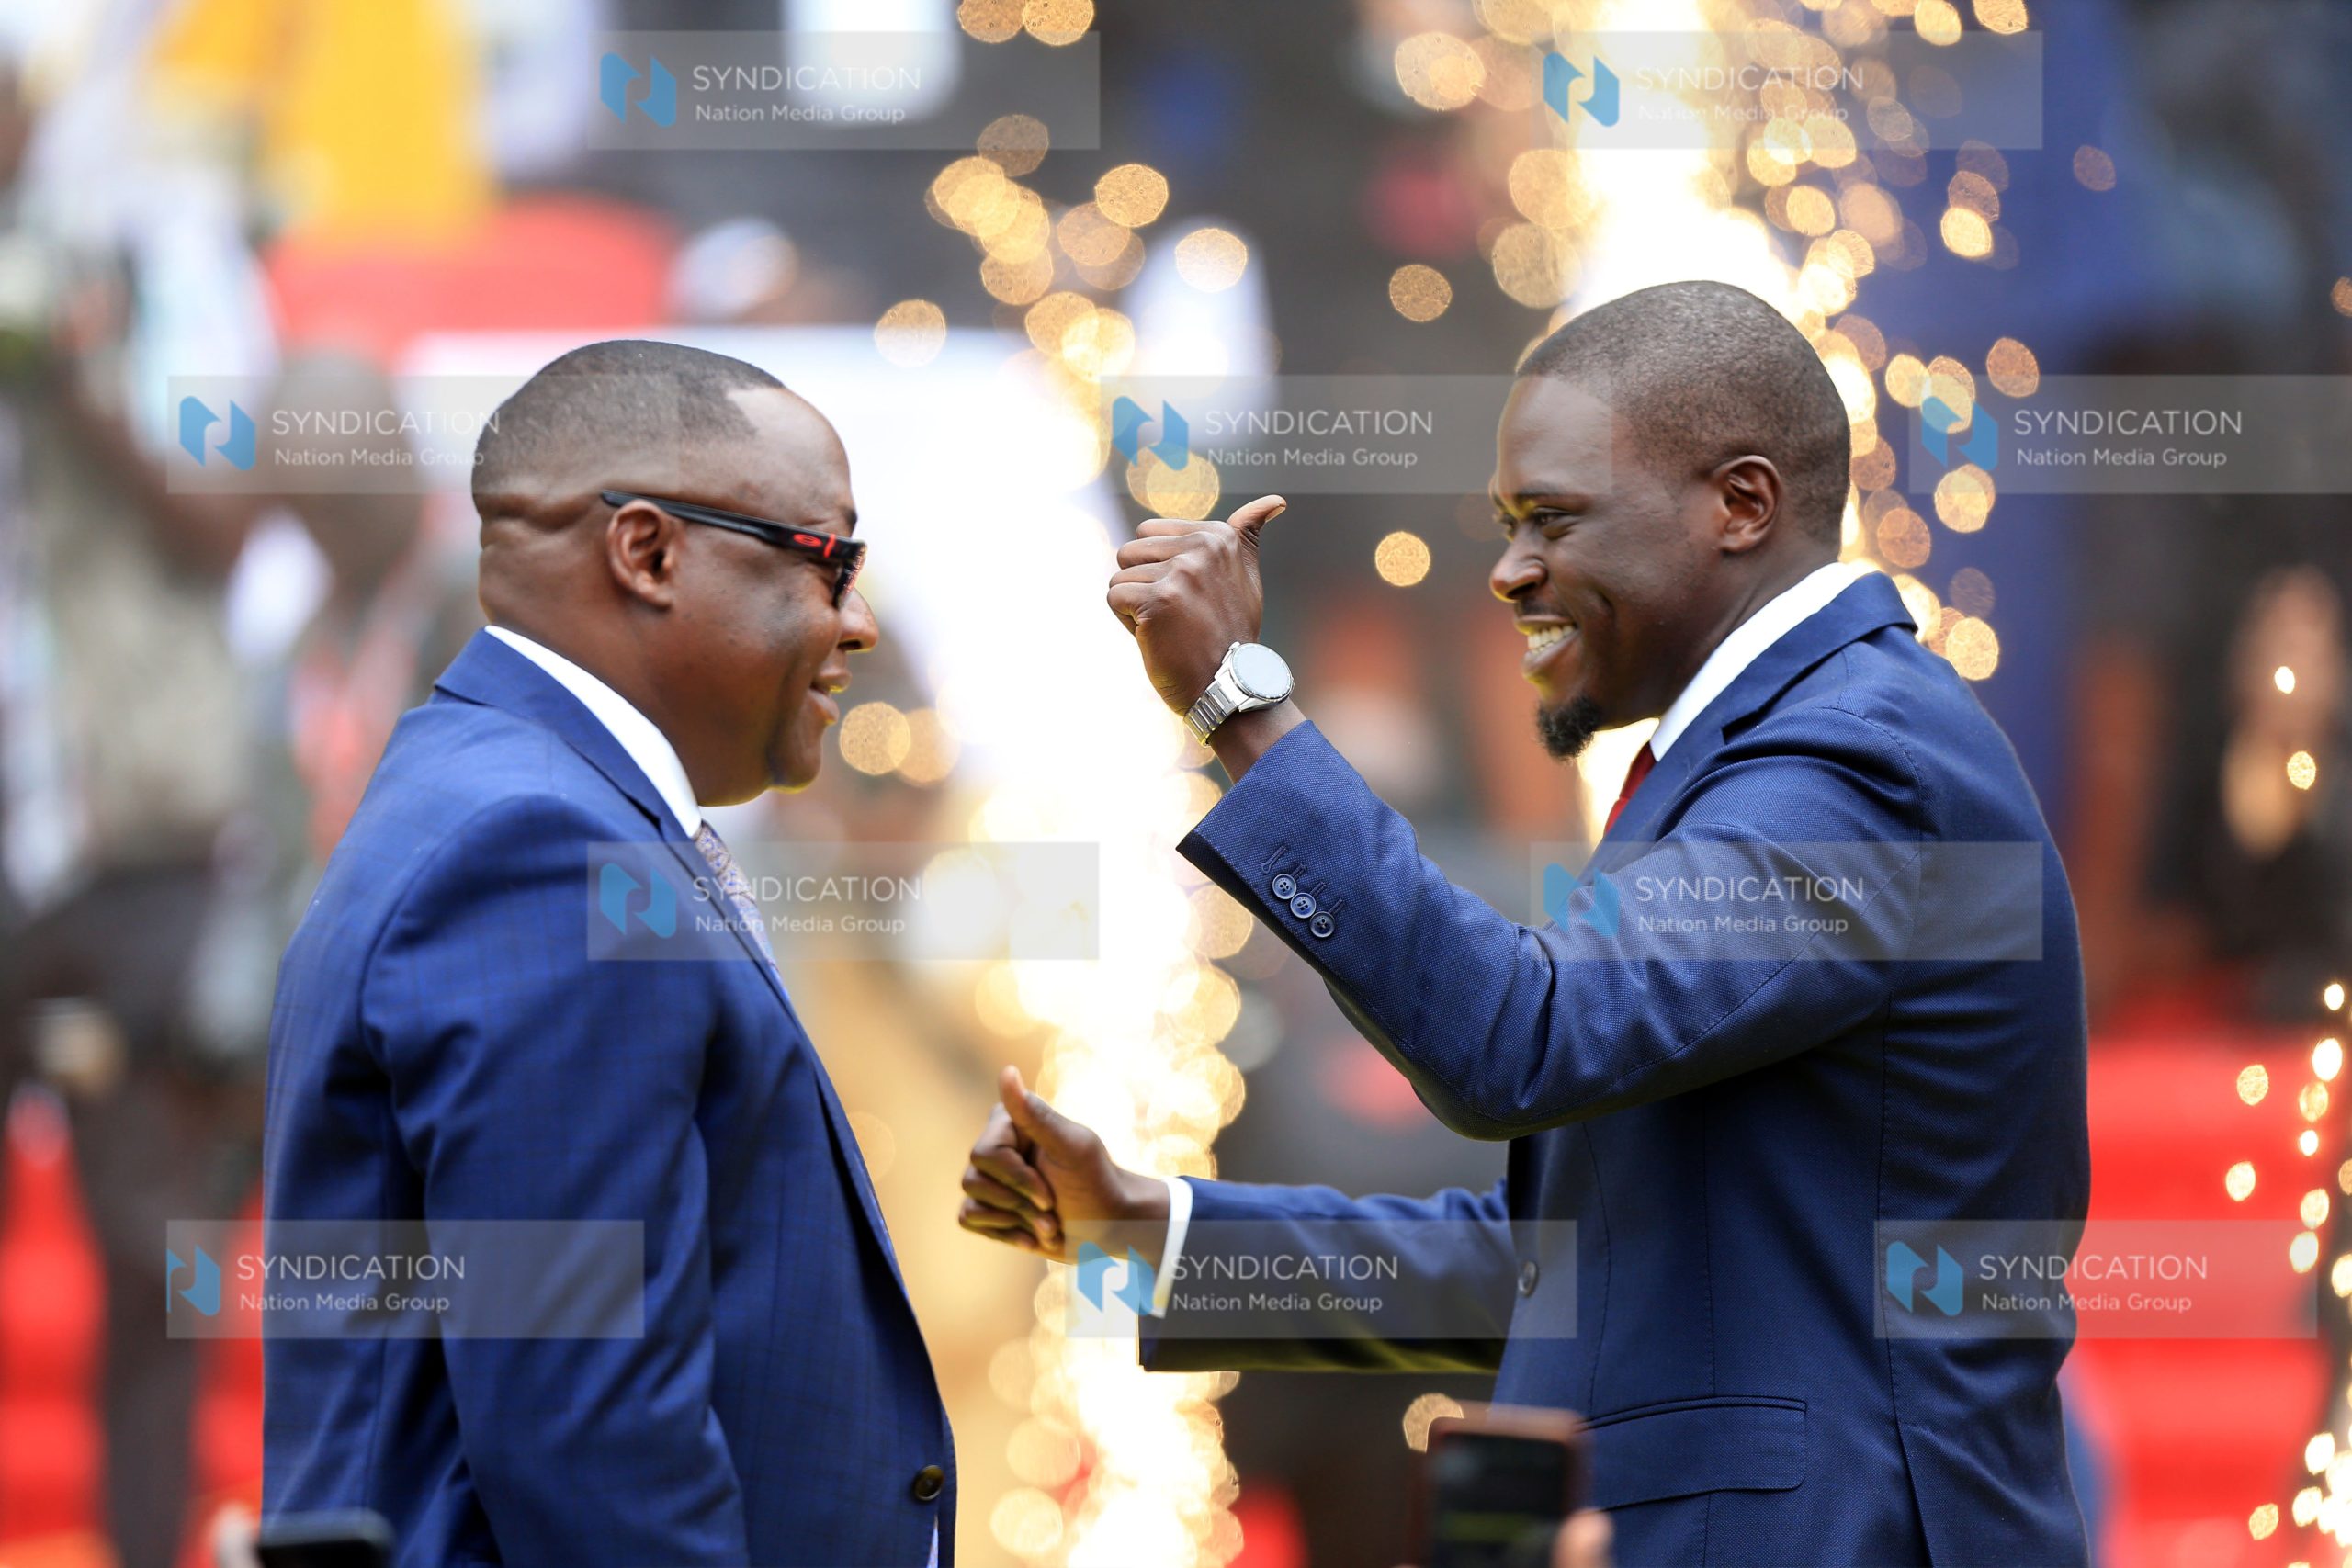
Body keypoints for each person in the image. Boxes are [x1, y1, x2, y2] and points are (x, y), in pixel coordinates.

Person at [960, 281, 2090, 1565]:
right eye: (1505, 525)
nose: (1507, 573)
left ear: (1741, 506)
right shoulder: (1755, 764)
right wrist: (1158, 1234)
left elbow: (1520, 1041)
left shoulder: (1858, 767)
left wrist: (1238, 704)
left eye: (1553, 521)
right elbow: (1569, 1262)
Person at [264, 340, 956, 1565]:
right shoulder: (546, 854)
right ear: (648, 553)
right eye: (829, 562)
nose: (855, 623)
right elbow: (590, 1452)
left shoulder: (525, 801)